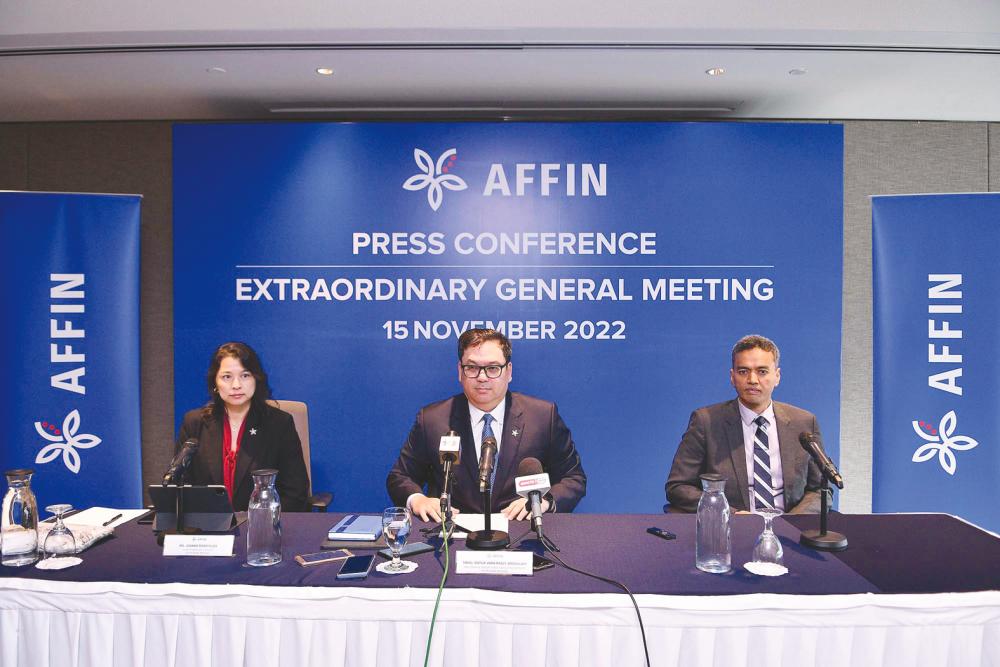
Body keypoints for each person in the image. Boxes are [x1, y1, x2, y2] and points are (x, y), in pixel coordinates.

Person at [387, 328, 587, 522]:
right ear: (460, 371)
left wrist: (544, 502)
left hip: (521, 531)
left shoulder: (542, 416)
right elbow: (400, 476)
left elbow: (573, 478)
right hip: (453, 535)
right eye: (472, 367)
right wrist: (417, 499)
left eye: (492, 368)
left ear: (508, 371)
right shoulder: (432, 419)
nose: (482, 377)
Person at [665, 334, 823, 514]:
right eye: (743, 371)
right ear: (732, 377)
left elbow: (819, 490)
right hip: (732, 528)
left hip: (789, 530)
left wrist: (792, 521)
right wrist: (730, 513)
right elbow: (678, 486)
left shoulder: (803, 422)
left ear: (777, 376)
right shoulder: (706, 422)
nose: (753, 380)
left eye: (762, 371)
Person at [175, 341, 310, 512]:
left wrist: (264, 525)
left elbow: (296, 492)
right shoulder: (194, 423)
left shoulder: (279, 424)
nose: (236, 385)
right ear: (215, 383)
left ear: (256, 378)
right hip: (207, 528)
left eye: (245, 375)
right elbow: (181, 484)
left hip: (264, 528)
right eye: (227, 377)